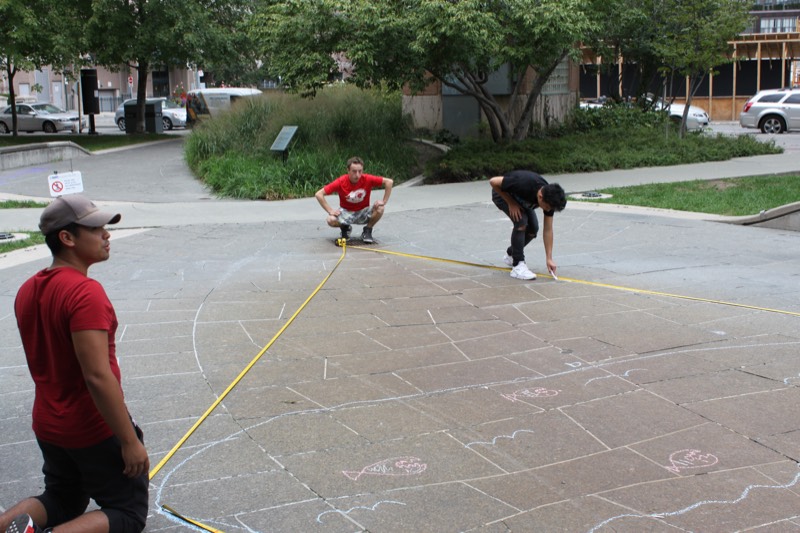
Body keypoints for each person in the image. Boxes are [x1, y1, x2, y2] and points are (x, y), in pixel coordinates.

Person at [1, 195, 149, 533]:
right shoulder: (85, 294)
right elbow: (97, 376)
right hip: (91, 428)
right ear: (67, 238)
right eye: (96, 229)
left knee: (62, 498)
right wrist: (128, 440)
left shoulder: (28, 289)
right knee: (127, 512)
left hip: (49, 424)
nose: (106, 235)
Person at [490, 170, 567, 280]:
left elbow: (548, 230)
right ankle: (518, 266)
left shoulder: (549, 199)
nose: (548, 210)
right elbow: (493, 181)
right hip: (502, 194)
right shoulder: (523, 183)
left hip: (521, 200)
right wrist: (511, 202)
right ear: (540, 196)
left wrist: (549, 258)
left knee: (533, 229)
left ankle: (512, 254)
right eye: (547, 207)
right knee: (521, 221)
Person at [315, 156, 393, 244]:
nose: (357, 175)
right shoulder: (341, 181)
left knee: (380, 208)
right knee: (330, 220)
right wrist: (330, 210)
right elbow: (319, 194)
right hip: (346, 212)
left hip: (364, 211)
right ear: (348, 170)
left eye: (360, 171)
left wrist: (384, 201)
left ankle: (367, 230)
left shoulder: (367, 179)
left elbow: (389, 182)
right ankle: (345, 227)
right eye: (354, 171)